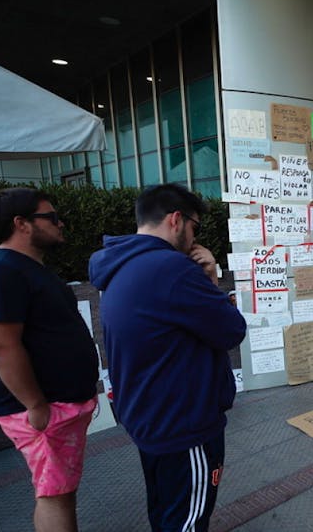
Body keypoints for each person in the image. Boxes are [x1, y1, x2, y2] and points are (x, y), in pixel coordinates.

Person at [89, 184, 246, 532]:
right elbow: (231, 329)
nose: (194, 239)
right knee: (188, 520)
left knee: (166, 512)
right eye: (195, 228)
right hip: (183, 423)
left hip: (148, 416)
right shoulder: (172, 269)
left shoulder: (119, 265)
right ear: (177, 220)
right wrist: (210, 278)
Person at [0, 188, 98, 532]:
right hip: (42, 410)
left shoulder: (25, 269)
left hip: (56, 406)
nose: (60, 223)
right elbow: (2, 346)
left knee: (59, 490)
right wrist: (36, 405)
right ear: (21, 223)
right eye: (50, 217)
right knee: (54, 493)